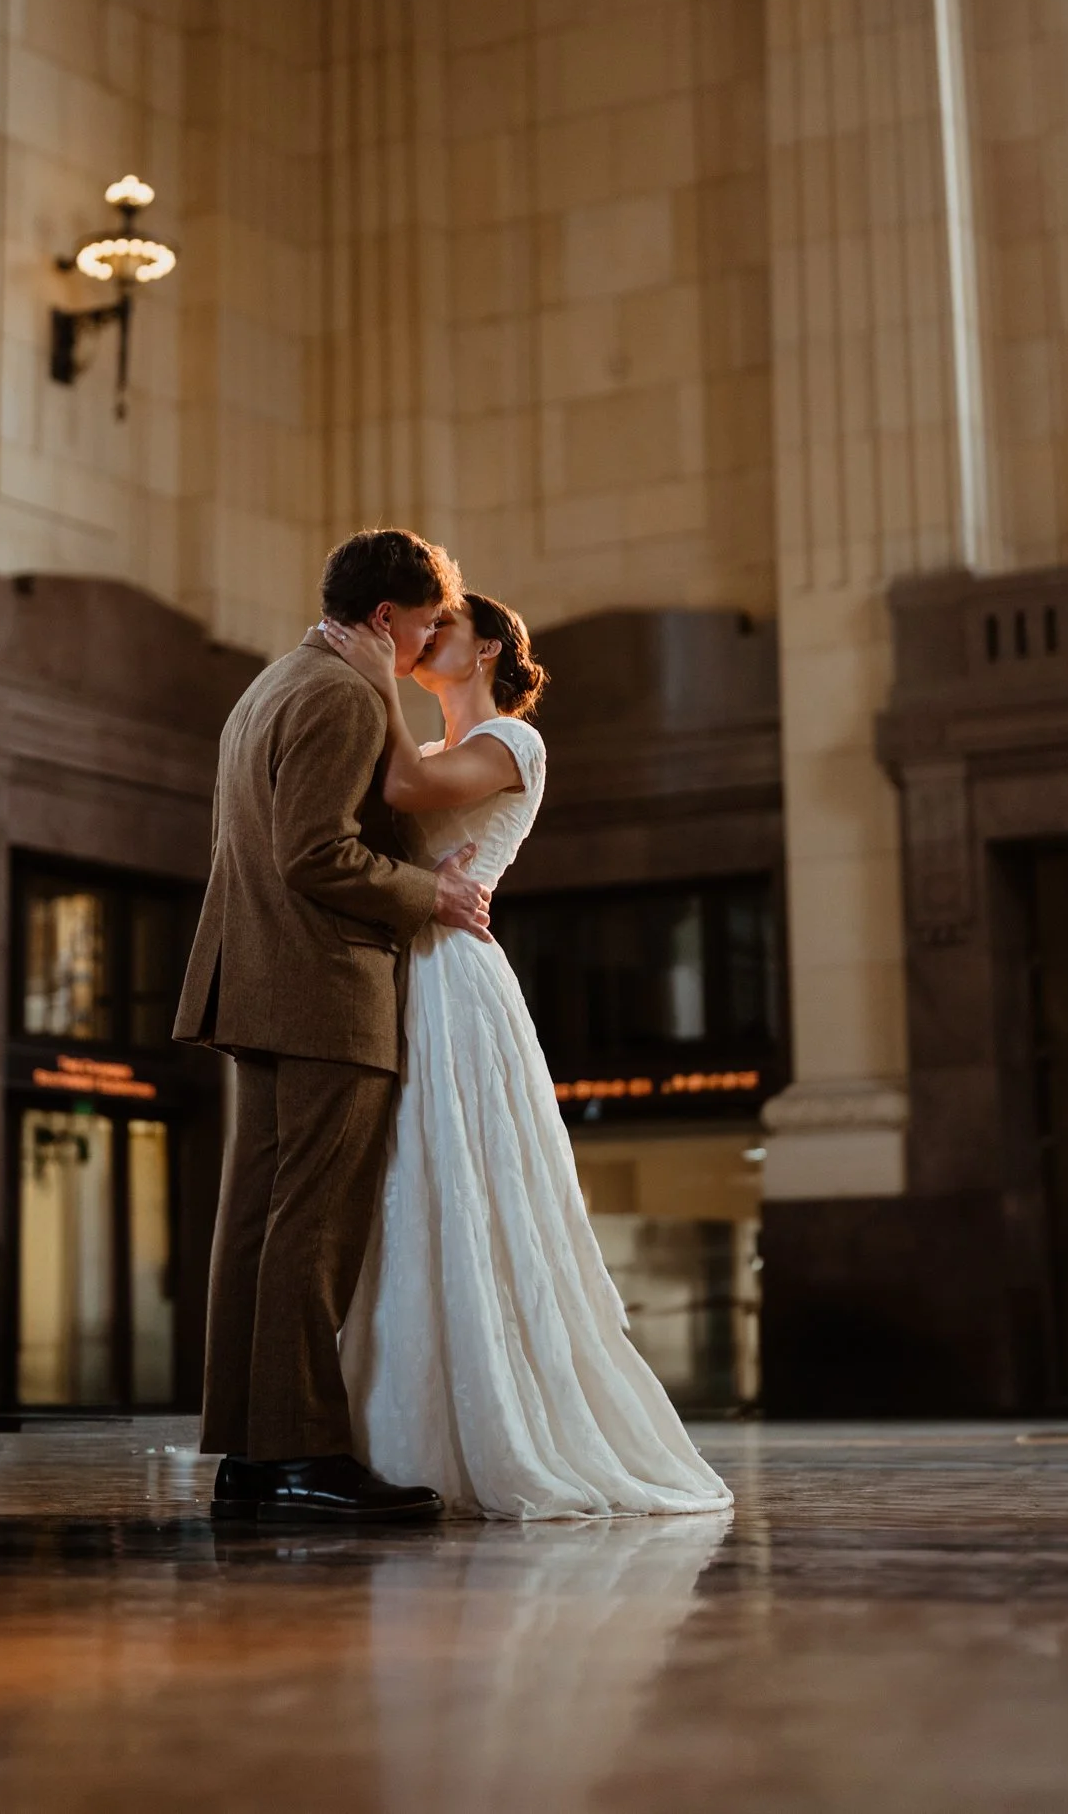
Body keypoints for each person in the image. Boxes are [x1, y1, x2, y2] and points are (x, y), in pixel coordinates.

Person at [323, 593, 732, 1520]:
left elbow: (404, 796)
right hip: (399, 967)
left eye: (442, 630)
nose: (423, 641)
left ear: (488, 650)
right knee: (409, 1187)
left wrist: (370, 671)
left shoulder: (513, 741)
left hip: (453, 978)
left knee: (467, 1182)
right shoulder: (426, 744)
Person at [173, 527, 492, 1527]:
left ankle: (253, 1454)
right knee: (311, 1228)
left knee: (261, 1227)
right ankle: (304, 1451)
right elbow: (317, 852)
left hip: (260, 978)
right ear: (387, 614)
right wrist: (427, 895)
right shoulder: (344, 693)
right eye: (426, 623)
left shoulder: (271, 683)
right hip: (322, 986)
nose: (428, 642)